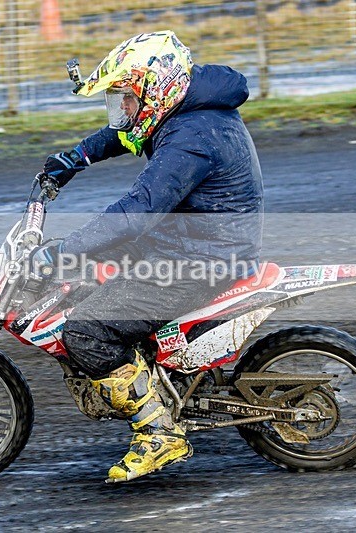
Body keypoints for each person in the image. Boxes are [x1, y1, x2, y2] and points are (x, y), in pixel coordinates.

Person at [33, 31, 264, 483]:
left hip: (203, 258)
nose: (122, 109)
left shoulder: (192, 138)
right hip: (193, 240)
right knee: (91, 276)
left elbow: (136, 211)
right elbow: (128, 131)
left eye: (127, 98)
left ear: (156, 90)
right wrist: (77, 157)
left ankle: (159, 432)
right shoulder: (185, 108)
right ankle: (156, 376)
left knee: (86, 331)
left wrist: (64, 249)